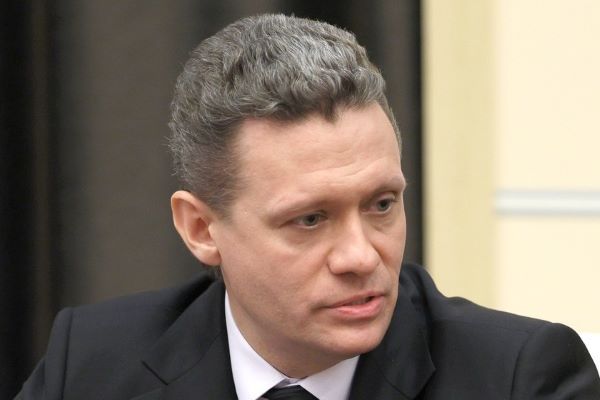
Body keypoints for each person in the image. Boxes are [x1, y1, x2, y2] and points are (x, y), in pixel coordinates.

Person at [16, 14, 600, 400]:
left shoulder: (519, 378)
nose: (360, 256)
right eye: (310, 219)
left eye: (381, 204)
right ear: (201, 229)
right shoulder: (93, 361)